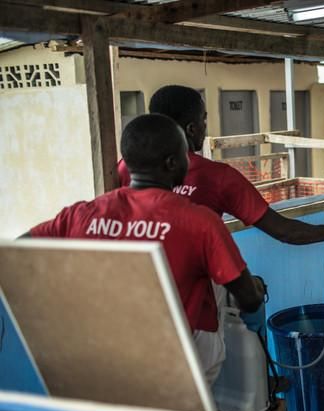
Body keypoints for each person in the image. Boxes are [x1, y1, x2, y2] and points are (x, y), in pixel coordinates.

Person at [25, 113, 265, 385]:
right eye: (185, 154)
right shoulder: (199, 222)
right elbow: (247, 297)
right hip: (171, 369)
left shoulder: (81, 214)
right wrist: (255, 297)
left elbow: (17, 254)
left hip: (99, 358)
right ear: (172, 163)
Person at [117, 85, 324, 248]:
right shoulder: (218, 177)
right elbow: (284, 231)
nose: (204, 126)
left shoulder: (125, 168)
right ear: (191, 129)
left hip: (138, 292)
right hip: (197, 301)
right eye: (203, 119)